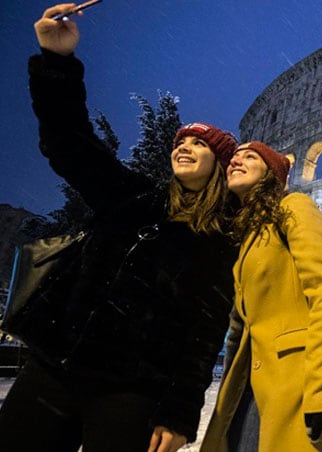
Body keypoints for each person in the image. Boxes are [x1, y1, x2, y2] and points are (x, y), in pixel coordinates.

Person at [0, 5, 239, 452]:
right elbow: (68, 141)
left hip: (131, 390)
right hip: (54, 366)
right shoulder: (131, 196)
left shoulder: (217, 239)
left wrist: (179, 411)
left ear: (220, 164)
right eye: (181, 141)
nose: (185, 146)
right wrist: (57, 62)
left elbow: (205, 332)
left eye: (200, 144)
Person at [200, 141, 322, 451]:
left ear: (272, 173)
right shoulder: (250, 235)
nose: (236, 161)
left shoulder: (293, 206)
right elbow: (240, 329)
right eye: (234, 158)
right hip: (252, 385)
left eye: (249, 156)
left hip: (299, 378)